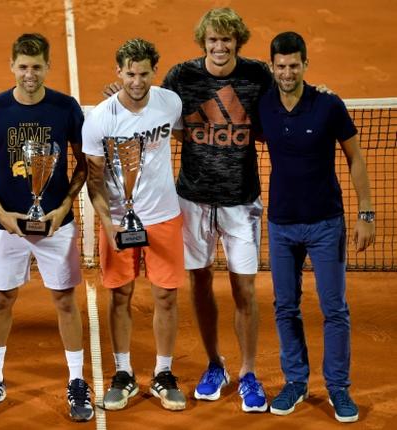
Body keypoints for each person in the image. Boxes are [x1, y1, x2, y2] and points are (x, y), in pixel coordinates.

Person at [0, 33, 92, 422]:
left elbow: (83, 162)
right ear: (12, 66)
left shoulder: (66, 108)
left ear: (47, 67)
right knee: (2, 299)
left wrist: (65, 206)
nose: (29, 74)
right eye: (22, 66)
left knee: (64, 300)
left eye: (36, 67)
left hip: (57, 225)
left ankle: (76, 381)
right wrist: (0, 213)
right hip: (7, 227)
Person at [159, 8, 272, 412]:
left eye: (226, 40)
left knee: (245, 288)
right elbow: (153, 114)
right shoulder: (181, 77)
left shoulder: (258, 76)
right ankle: (213, 365)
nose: (219, 47)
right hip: (192, 199)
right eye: (212, 40)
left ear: (237, 41)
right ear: (203, 42)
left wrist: (319, 92)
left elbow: (291, 101)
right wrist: (118, 100)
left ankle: (249, 373)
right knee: (200, 282)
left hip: (241, 202)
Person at [260, 31, 375, 423]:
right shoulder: (263, 105)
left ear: (305, 64)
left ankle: (338, 388)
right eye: (281, 66)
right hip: (281, 225)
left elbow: (355, 158)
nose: (288, 72)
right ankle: (296, 381)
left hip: (327, 224)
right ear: (272, 66)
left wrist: (366, 213)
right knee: (285, 307)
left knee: (334, 308)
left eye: (295, 65)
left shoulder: (329, 104)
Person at [84, 38, 186, 412]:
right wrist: (107, 224)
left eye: (144, 73)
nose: (137, 81)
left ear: (153, 71)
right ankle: (123, 373)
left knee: (166, 296)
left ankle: (163, 373)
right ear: (119, 72)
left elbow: (185, 134)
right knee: (121, 295)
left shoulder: (169, 103)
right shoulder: (100, 118)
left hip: (163, 216)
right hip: (116, 220)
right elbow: (93, 181)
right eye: (130, 73)